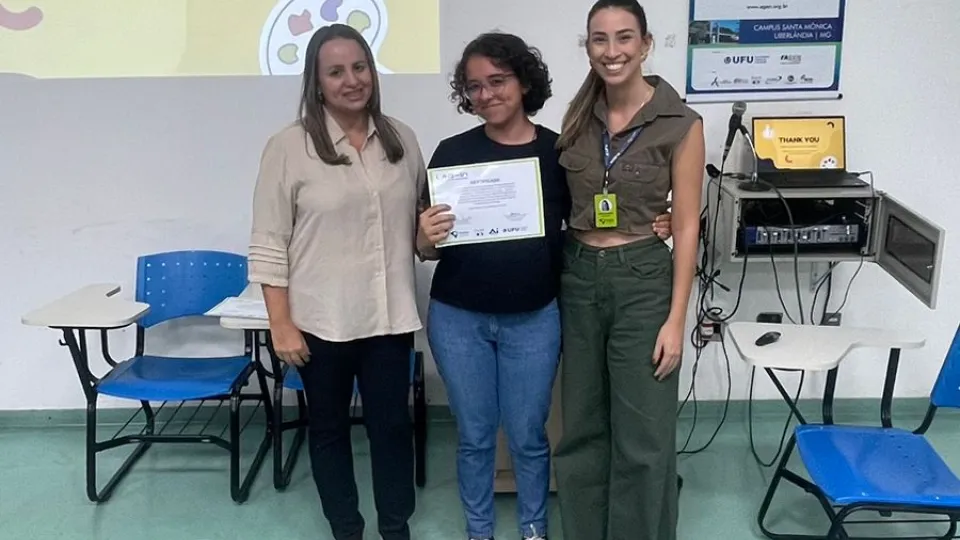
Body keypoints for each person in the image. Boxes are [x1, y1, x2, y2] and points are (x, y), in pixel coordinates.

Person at [416, 32, 673, 540]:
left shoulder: (560, 151)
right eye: (474, 87)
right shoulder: (450, 152)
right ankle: (479, 531)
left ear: (523, 82)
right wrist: (423, 238)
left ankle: (534, 528)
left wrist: (655, 225)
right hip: (458, 318)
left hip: (534, 319)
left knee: (530, 436)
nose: (486, 95)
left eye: (498, 81)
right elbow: (428, 247)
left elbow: (597, 218)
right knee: (473, 436)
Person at [246, 23, 425, 540]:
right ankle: (346, 529)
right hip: (320, 322)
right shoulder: (289, 147)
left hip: (388, 318)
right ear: (317, 82)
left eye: (360, 67)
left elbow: (416, 231)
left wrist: (430, 235)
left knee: (392, 432)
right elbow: (268, 241)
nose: (352, 80)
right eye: (336, 71)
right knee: (327, 433)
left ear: (372, 71)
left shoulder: (401, 139)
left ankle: (396, 528)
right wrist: (281, 324)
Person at [551, 1, 705, 540]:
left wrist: (675, 321)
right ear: (587, 46)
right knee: (583, 430)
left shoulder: (680, 123)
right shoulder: (575, 118)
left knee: (644, 436)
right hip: (577, 275)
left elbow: (686, 226)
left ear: (645, 45)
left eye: (623, 38)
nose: (611, 51)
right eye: (599, 39)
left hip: (642, 280)